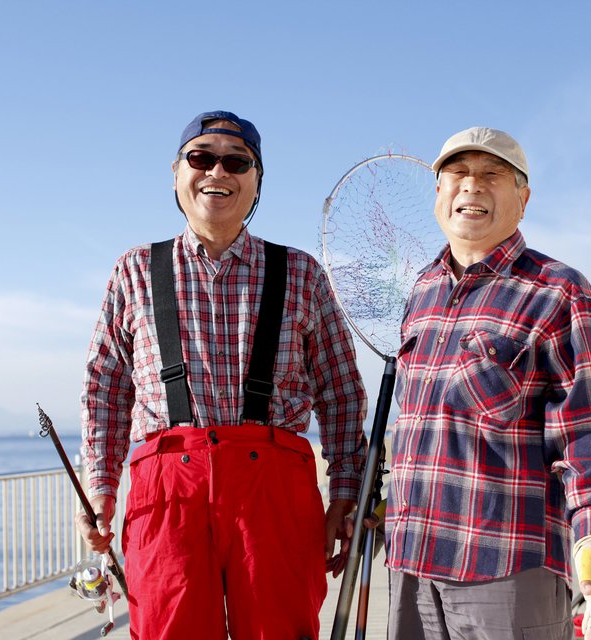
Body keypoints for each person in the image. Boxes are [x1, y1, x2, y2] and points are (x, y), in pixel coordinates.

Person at [77, 110, 368, 640]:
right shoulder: (135, 270)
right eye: (201, 158)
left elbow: (342, 392)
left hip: (275, 494)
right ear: (176, 172)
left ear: (256, 180)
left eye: (238, 162)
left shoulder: (301, 272)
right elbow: (105, 391)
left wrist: (346, 495)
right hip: (166, 495)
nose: (218, 172)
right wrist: (100, 488)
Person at [380, 127, 591, 640]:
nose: (472, 186)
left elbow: (585, 433)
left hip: (505, 567)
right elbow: (419, 421)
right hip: (411, 563)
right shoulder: (422, 289)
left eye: (492, 175)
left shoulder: (559, 292)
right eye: (458, 174)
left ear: (524, 199)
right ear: (439, 195)